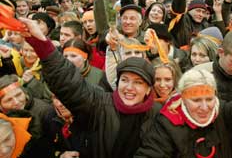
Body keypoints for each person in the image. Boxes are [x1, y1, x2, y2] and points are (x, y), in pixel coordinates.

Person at [21, 15, 161, 158]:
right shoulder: (100, 103)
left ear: (149, 88)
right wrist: (41, 44)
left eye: (138, 82)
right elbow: (69, 83)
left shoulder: (159, 115)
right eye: (124, 80)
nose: (129, 87)